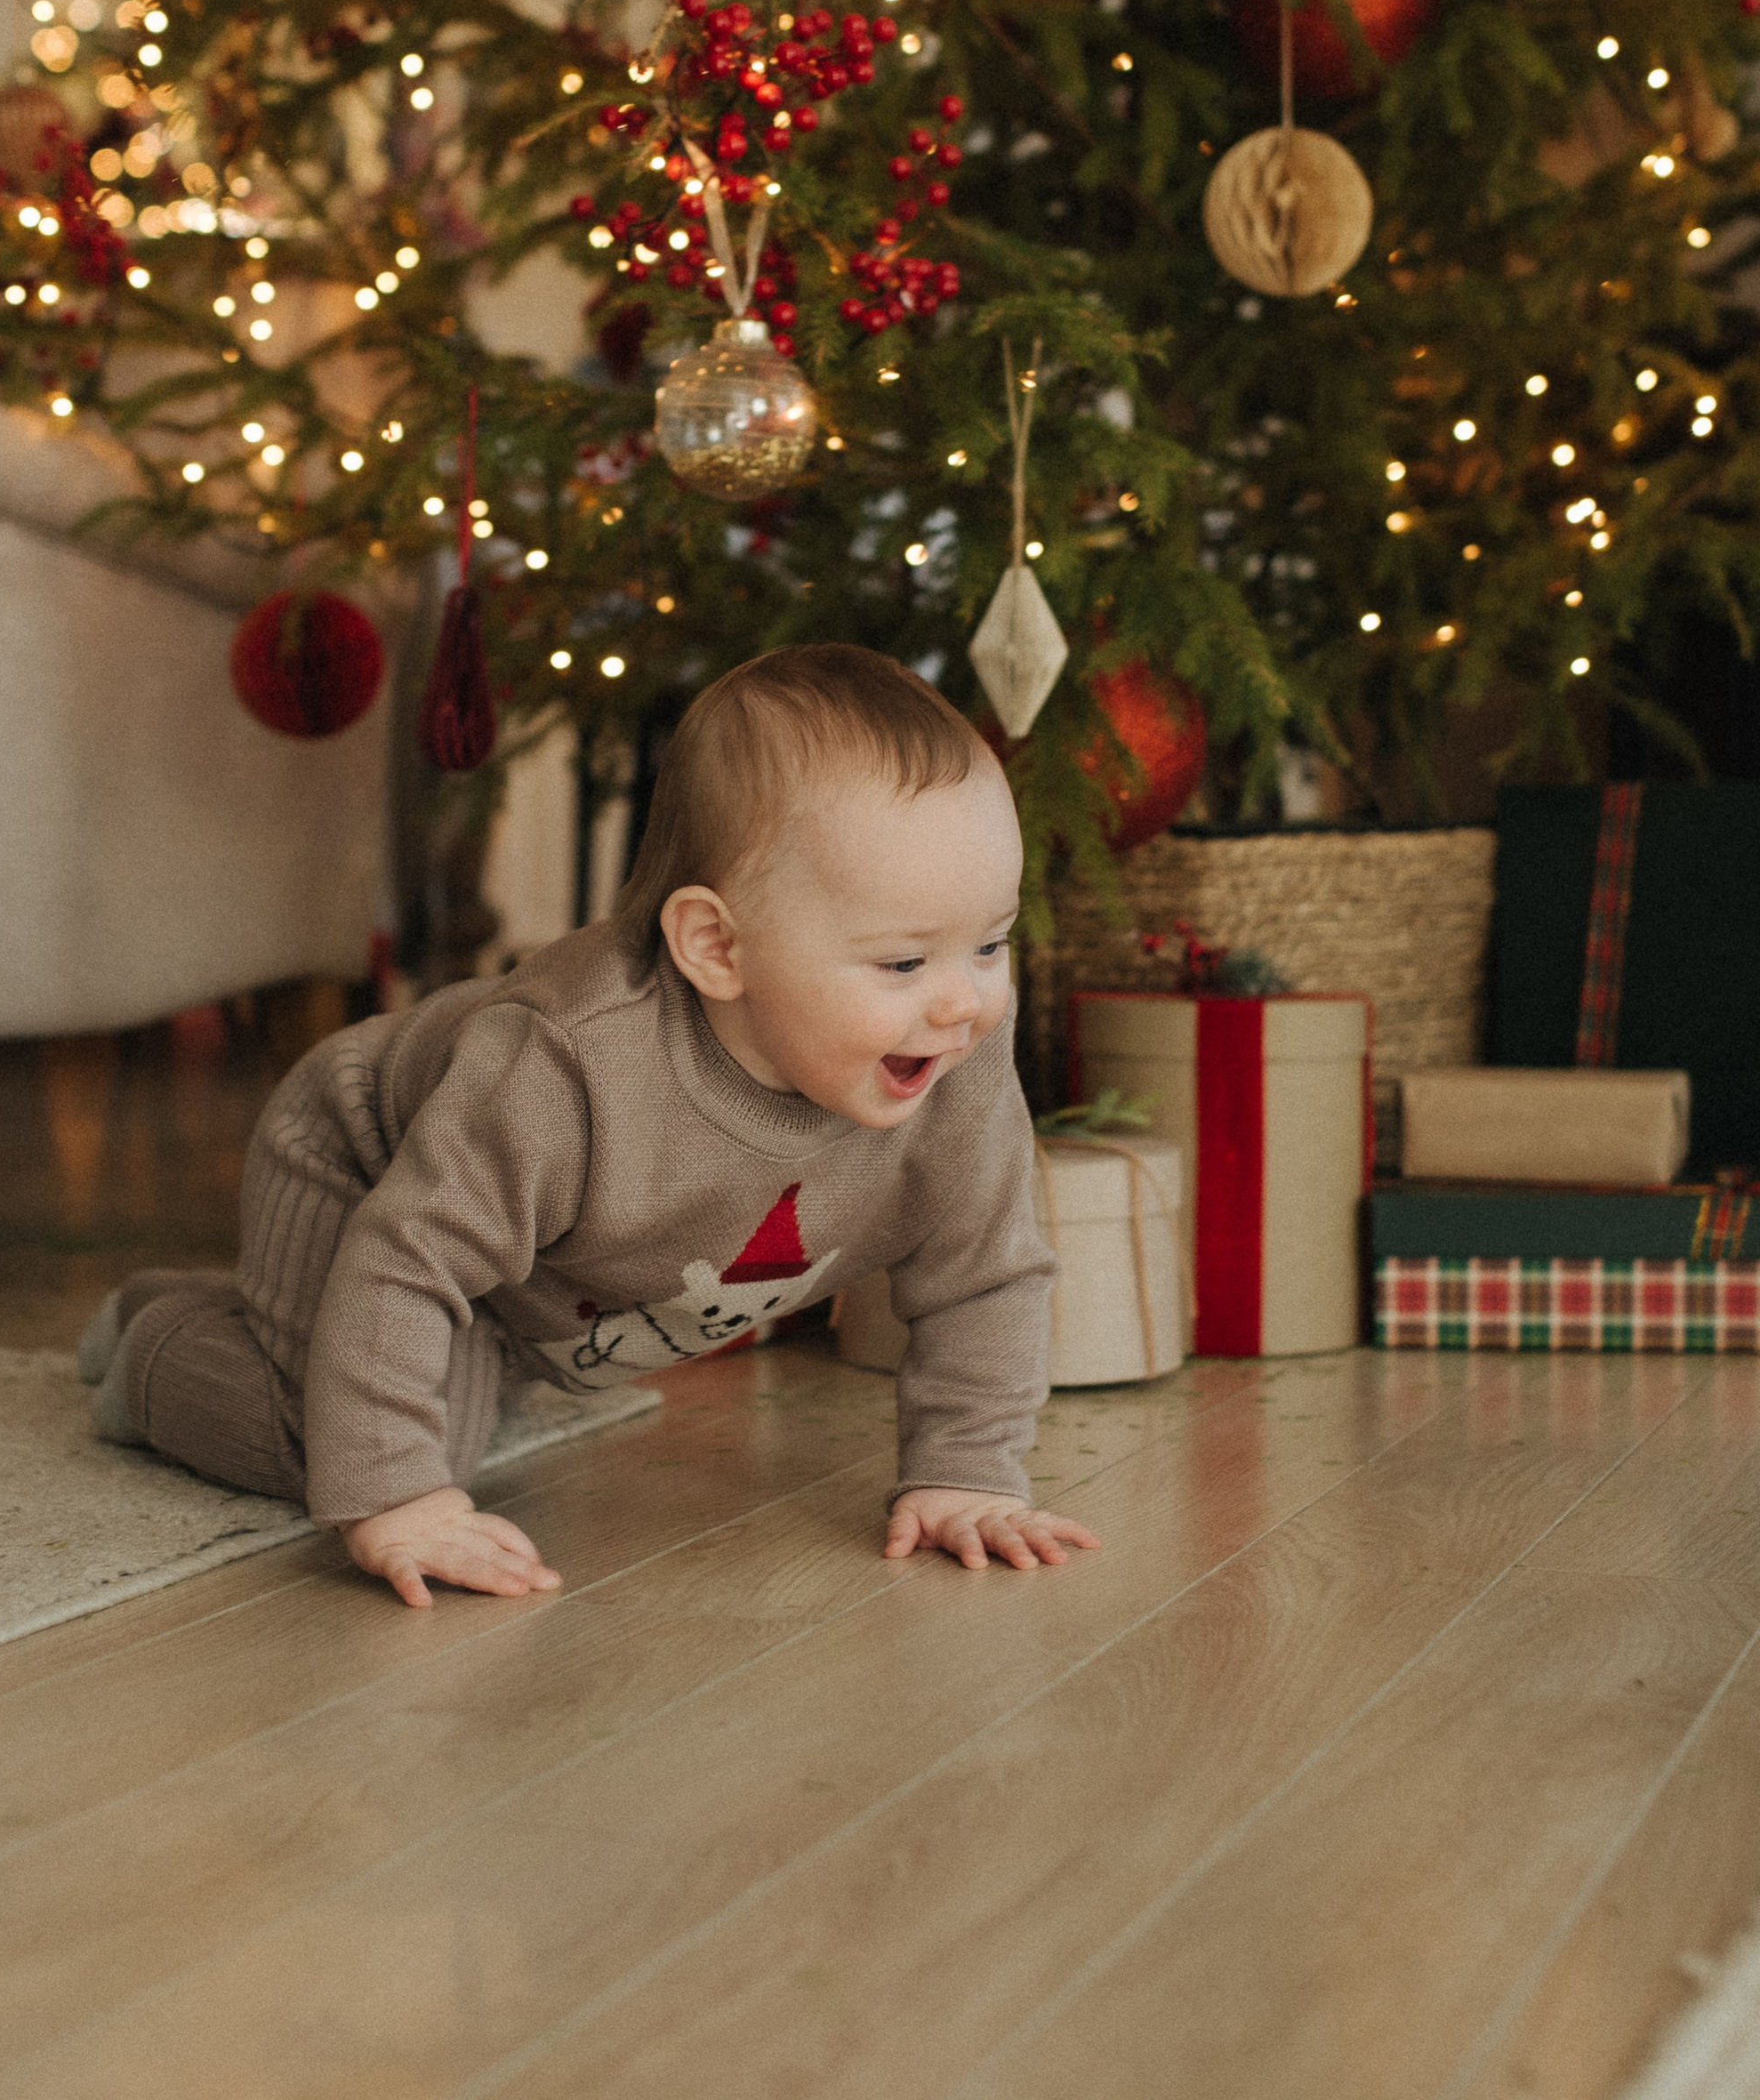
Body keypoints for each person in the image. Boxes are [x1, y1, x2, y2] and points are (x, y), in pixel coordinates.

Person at [81, 642, 1098, 1607]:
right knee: (347, 1451)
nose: (966, 1002)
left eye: (991, 945)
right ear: (715, 946)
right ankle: (152, 1346)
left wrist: (968, 1472)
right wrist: (397, 1498)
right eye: (905, 962)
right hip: (365, 1167)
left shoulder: (953, 1062)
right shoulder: (569, 1066)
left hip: (512, 1264)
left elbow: (988, 1272)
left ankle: (279, 1322)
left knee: (439, 1413)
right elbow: (408, 1257)